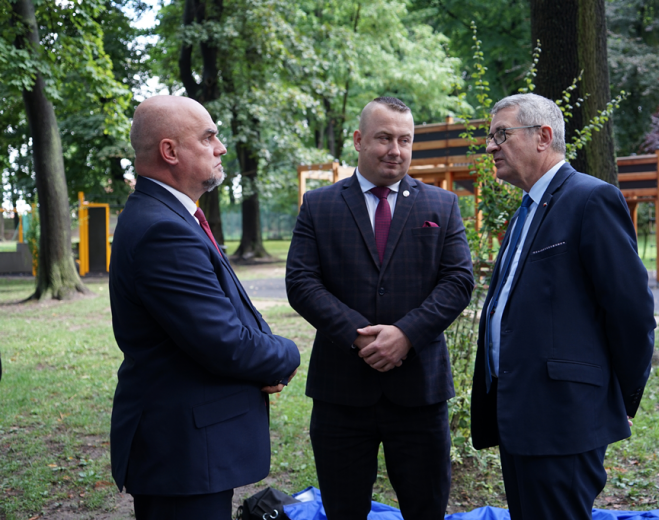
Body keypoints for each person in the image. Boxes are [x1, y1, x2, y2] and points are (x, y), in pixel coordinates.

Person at [109, 95, 300, 520]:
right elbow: (225, 342)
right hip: (182, 454)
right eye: (209, 136)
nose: (221, 147)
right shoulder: (163, 230)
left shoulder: (172, 217)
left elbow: (232, 310)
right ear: (170, 151)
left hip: (190, 452)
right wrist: (287, 354)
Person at [286, 96, 474, 519]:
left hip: (420, 392)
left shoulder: (441, 205)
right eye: (384, 138)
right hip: (342, 393)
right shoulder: (320, 205)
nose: (396, 149)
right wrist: (358, 336)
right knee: (343, 509)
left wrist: (406, 334)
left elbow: (459, 280)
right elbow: (301, 282)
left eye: (405, 140)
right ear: (358, 140)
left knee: (425, 509)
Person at [470, 93, 655, 519]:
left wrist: (621, 400)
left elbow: (631, 311)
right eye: (489, 136)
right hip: (521, 416)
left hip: (564, 421)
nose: (490, 146)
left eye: (501, 134)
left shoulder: (591, 199)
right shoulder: (524, 212)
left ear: (543, 137)